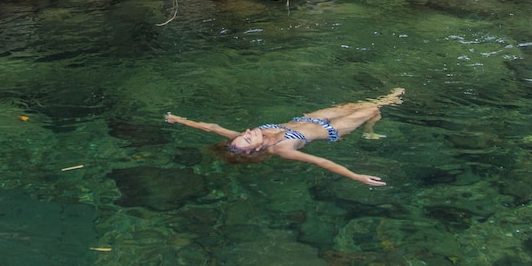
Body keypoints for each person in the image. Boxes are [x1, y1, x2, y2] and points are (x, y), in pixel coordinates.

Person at [164, 88, 404, 186]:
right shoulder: (282, 150)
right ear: (254, 151)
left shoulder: (241, 137)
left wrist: (179, 120)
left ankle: (373, 123)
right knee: (372, 110)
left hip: (308, 118)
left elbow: (212, 127)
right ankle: (373, 125)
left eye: (246, 134)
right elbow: (322, 162)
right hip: (331, 131)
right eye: (248, 139)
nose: (248, 132)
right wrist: (356, 176)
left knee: (354, 104)